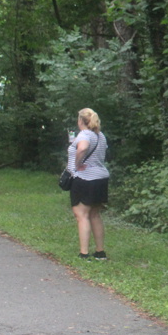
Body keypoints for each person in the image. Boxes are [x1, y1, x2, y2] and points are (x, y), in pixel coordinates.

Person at [68, 108, 109, 260]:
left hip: (85, 179)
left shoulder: (84, 134)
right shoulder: (100, 135)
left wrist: (77, 164)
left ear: (80, 120)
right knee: (95, 214)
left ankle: (84, 253)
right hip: (100, 178)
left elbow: (83, 147)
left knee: (81, 215)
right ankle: (100, 252)